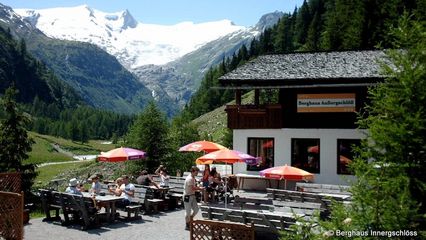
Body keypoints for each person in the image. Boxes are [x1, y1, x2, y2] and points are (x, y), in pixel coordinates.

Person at [183, 166, 204, 230]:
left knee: (196, 209)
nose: (197, 173)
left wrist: (199, 186)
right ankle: (187, 225)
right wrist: (200, 189)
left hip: (192, 195)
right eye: (196, 172)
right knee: (188, 212)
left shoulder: (193, 177)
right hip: (187, 196)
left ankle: (190, 220)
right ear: (192, 172)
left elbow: (194, 186)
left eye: (197, 172)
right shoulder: (189, 178)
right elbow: (193, 188)